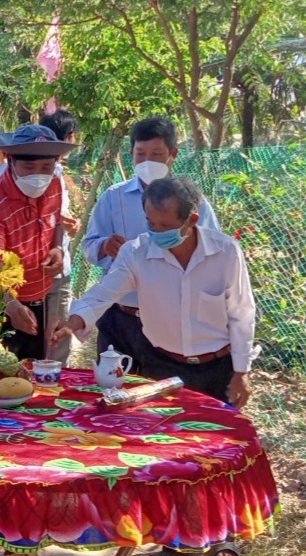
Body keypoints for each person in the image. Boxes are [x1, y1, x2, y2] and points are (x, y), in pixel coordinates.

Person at [51, 176, 254, 556]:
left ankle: (221, 533)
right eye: (150, 223)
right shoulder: (137, 252)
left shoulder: (225, 253)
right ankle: (177, 543)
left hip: (218, 367)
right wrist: (74, 320)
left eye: (164, 225)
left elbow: (242, 314)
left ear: (192, 219)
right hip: (162, 366)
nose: (155, 232)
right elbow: (104, 292)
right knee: (170, 456)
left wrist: (241, 372)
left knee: (215, 455)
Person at [81, 116, 220, 374]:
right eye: (140, 154)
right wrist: (104, 246)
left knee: (161, 390)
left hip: (169, 319)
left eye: (156, 154)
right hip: (119, 317)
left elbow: (212, 254)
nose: (147, 162)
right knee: (114, 386)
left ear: (173, 154)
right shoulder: (113, 197)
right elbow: (88, 247)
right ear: (131, 154)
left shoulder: (194, 202)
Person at [0, 124, 76, 360]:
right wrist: (10, 305)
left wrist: (57, 248)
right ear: (11, 162)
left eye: (46, 167)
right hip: (0, 304)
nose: (38, 175)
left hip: (41, 296)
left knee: (37, 370)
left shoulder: (53, 185)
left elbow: (56, 222)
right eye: (29, 167)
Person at [38, 109, 82, 366]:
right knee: (55, 338)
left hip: (44, 265)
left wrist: (68, 223)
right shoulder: (51, 171)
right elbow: (51, 217)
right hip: (51, 269)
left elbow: (58, 215)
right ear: (70, 137)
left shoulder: (44, 171)